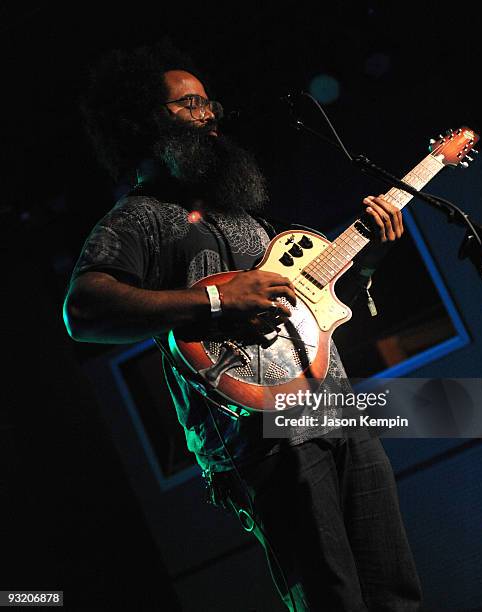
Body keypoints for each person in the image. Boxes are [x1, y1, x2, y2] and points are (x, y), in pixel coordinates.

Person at [63, 39, 422, 611]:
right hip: (261, 435)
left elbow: (317, 308)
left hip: (340, 410)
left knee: (397, 594)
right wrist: (214, 303)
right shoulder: (140, 218)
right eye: (190, 105)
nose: (210, 115)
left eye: (209, 103)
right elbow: (84, 309)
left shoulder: (248, 216)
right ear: (141, 123)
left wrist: (372, 257)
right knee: (335, 600)